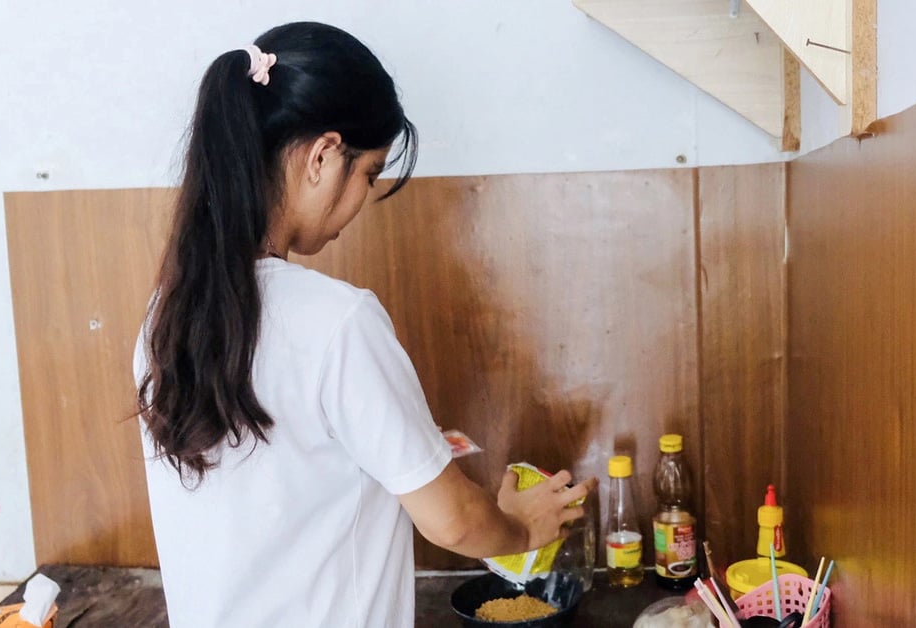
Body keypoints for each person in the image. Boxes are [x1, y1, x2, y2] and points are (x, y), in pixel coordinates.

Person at [133, 22, 595, 627]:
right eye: (370, 174)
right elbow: (453, 520)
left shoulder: (164, 318)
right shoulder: (338, 320)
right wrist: (522, 525)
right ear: (324, 155)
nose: (363, 200)